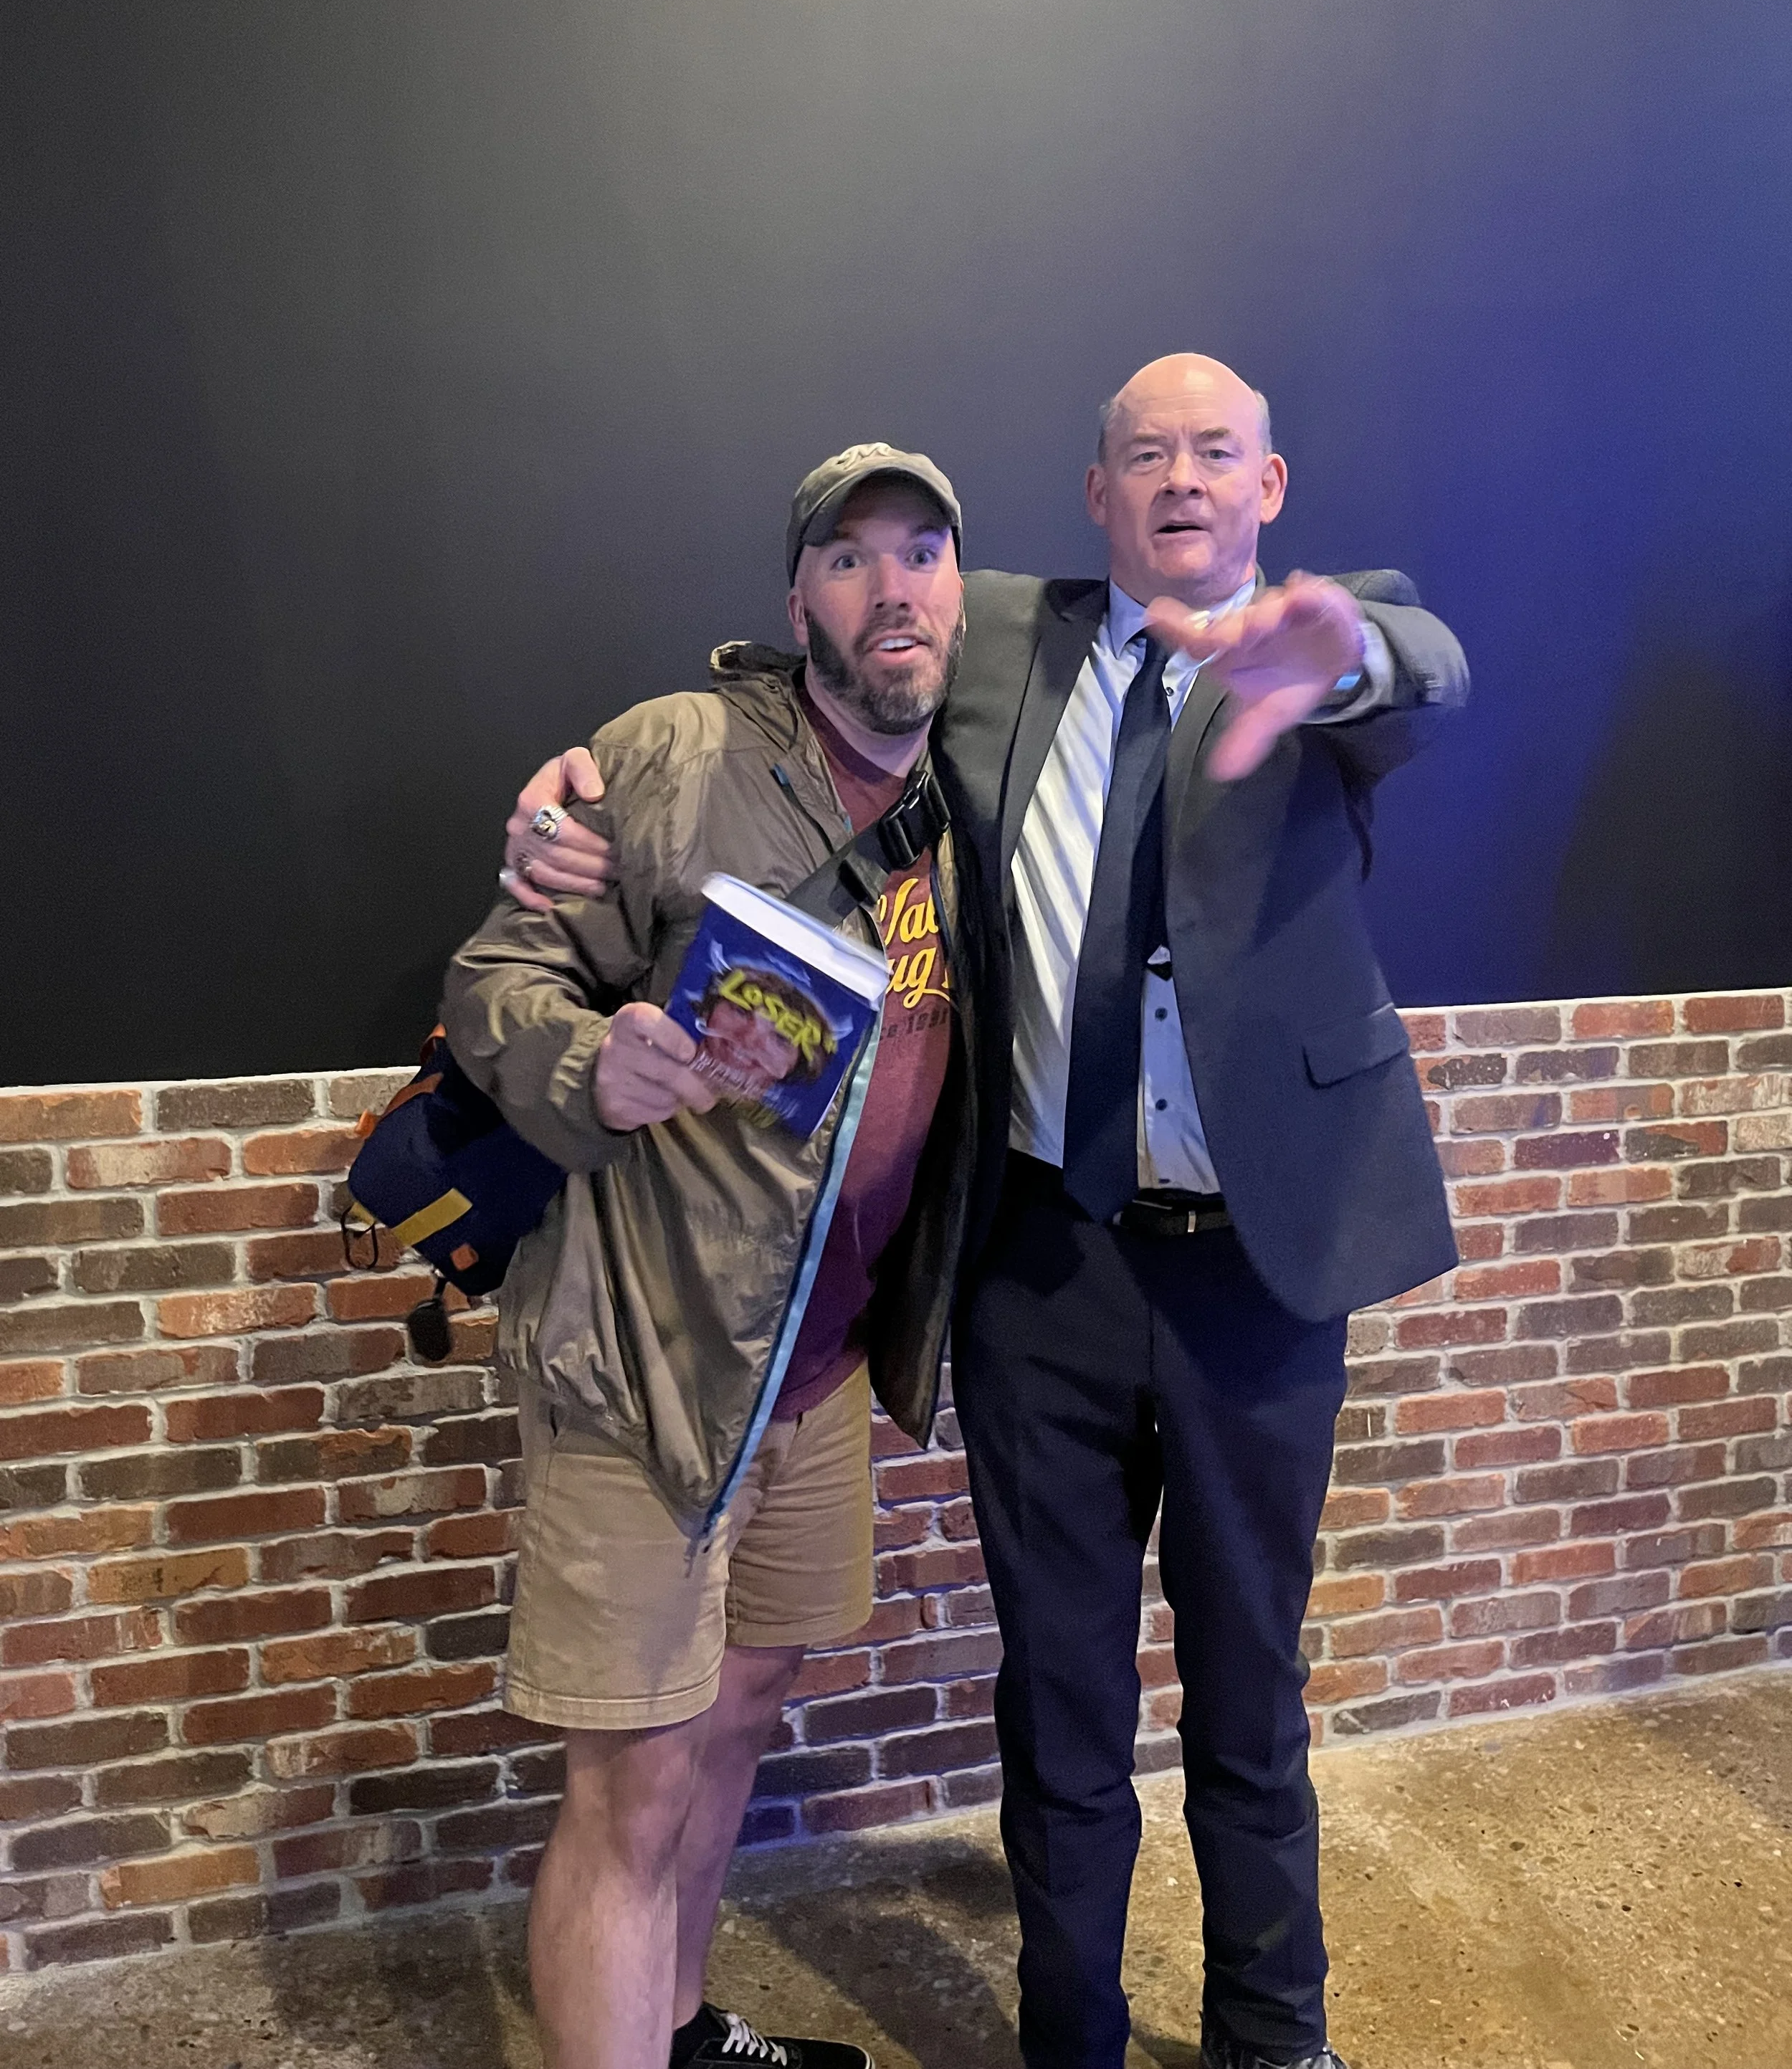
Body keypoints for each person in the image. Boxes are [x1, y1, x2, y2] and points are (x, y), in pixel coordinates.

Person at [495, 355, 1469, 2069]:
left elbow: (1421, 654)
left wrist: (1353, 649)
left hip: (1256, 1269)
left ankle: (1272, 2034)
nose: (1180, 479)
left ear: (1267, 484)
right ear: (1092, 496)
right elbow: (790, 687)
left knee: (1251, 1698)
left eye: (1215, 453)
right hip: (1044, 1268)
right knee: (1062, 1703)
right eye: (1142, 455)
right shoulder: (991, 635)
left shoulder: (1325, 646)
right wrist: (568, 784)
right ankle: (1069, 2038)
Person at [445, 446, 980, 2069]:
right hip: (649, 1355)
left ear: (963, 586)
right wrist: (579, 1061)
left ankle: (676, 2032)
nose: (891, 589)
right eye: (848, 557)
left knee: (739, 1719)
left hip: (813, 1369)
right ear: (796, 594)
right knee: (633, 1778)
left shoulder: (967, 788)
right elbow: (495, 975)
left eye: (923, 552)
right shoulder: (676, 755)